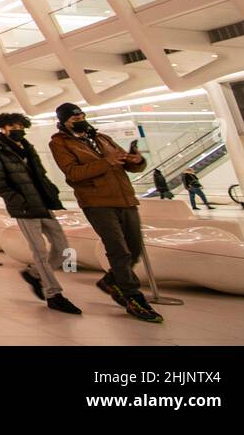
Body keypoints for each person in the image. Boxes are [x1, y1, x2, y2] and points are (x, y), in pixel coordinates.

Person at [49, 103, 161, 323]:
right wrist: (106, 162)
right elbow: (73, 173)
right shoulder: (60, 143)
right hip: (97, 201)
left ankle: (111, 281)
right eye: (74, 117)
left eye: (81, 115)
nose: (80, 119)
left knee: (135, 248)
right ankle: (133, 297)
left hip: (125, 199)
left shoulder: (102, 138)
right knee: (118, 249)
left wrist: (136, 161)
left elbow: (124, 164)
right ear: (63, 121)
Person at [0, 113, 80, 314]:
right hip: (24, 207)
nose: (17, 129)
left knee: (63, 248)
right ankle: (54, 294)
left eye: (20, 125)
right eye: (13, 126)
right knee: (39, 251)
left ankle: (34, 274)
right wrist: (18, 200)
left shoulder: (27, 147)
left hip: (43, 203)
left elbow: (41, 174)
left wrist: (51, 192)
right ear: (3, 127)